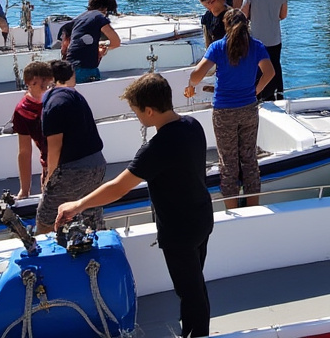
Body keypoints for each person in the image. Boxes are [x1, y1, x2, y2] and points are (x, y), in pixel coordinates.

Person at [56, 73, 213, 338]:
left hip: (179, 232)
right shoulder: (192, 125)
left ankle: (197, 334)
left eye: (137, 112)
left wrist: (78, 204)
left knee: (190, 293)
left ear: (149, 111)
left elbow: (118, 187)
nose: (137, 117)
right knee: (194, 285)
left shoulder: (157, 147)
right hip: (201, 219)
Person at [186, 9, 273, 209]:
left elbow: (196, 75)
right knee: (249, 159)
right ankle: (253, 207)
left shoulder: (218, 47)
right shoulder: (256, 46)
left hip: (224, 111)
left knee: (228, 162)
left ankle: (232, 209)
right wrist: (255, 90)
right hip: (249, 108)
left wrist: (191, 84)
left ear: (226, 26)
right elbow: (269, 72)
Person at [36, 64, 106, 234]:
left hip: (75, 170)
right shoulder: (74, 96)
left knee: (47, 218)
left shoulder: (53, 105)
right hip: (97, 165)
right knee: (91, 218)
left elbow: (55, 147)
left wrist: (49, 178)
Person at [241, 0, 288, 101]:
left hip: (256, 38)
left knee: (257, 68)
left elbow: (243, 14)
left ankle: (258, 94)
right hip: (274, 38)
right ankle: (278, 93)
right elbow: (283, 15)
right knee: (275, 65)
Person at [13, 61, 53, 199]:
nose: (47, 88)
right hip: (50, 165)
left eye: (49, 84)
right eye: (43, 84)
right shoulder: (22, 110)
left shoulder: (58, 99)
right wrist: (24, 190)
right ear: (30, 83)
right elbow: (24, 151)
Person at [67, 0, 121, 83]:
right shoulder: (99, 17)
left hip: (69, 67)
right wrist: (105, 48)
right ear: (105, 8)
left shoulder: (80, 18)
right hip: (86, 68)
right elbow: (116, 42)